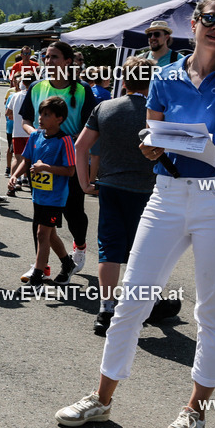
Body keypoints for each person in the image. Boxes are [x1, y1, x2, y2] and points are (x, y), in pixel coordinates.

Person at [56, 0, 215, 428]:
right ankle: (103, 397)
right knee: (132, 298)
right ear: (194, 22)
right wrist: (151, 146)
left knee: (211, 311)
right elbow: (152, 134)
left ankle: (194, 413)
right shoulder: (165, 75)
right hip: (168, 194)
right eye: (211, 19)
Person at [74, 56, 159, 335]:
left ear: (124, 80)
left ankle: (106, 308)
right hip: (148, 190)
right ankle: (141, 306)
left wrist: (85, 182)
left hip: (110, 186)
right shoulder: (157, 111)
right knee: (143, 252)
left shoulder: (105, 107)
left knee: (108, 249)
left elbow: (81, 146)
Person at [19, 41, 96, 274]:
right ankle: (40, 266)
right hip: (42, 161)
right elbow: (25, 120)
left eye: (54, 57)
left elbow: (91, 126)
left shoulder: (82, 90)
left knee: (73, 211)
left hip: (70, 160)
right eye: (46, 56)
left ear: (67, 61)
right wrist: (40, 137)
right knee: (40, 214)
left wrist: (67, 141)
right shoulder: (36, 87)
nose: (48, 61)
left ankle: (80, 247)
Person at [8, 96, 77, 287]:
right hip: (38, 194)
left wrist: (47, 168)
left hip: (55, 198)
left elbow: (70, 170)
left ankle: (38, 276)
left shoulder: (65, 140)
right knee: (50, 234)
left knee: (42, 233)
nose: (41, 118)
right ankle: (67, 264)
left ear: (59, 118)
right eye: (41, 114)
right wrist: (15, 175)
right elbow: (27, 160)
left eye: (47, 115)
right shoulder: (35, 136)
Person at [7, 72, 34, 196]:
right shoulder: (35, 95)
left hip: (17, 131)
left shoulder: (15, 96)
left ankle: (13, 182)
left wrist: (14, 117)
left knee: (17, 158)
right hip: (31, 131)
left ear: (22, 82)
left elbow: (8, 112)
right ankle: (27, 179)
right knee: (30, 158)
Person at [4, 73, 19, 176]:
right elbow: (7, 112)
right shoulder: (11, 94)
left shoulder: (26, 93)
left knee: (20, 152)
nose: (17, 84)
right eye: (15, 82)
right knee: (10, 148)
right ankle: (8, 167)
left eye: (19, 82)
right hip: (11, 127)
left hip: (20, 128)